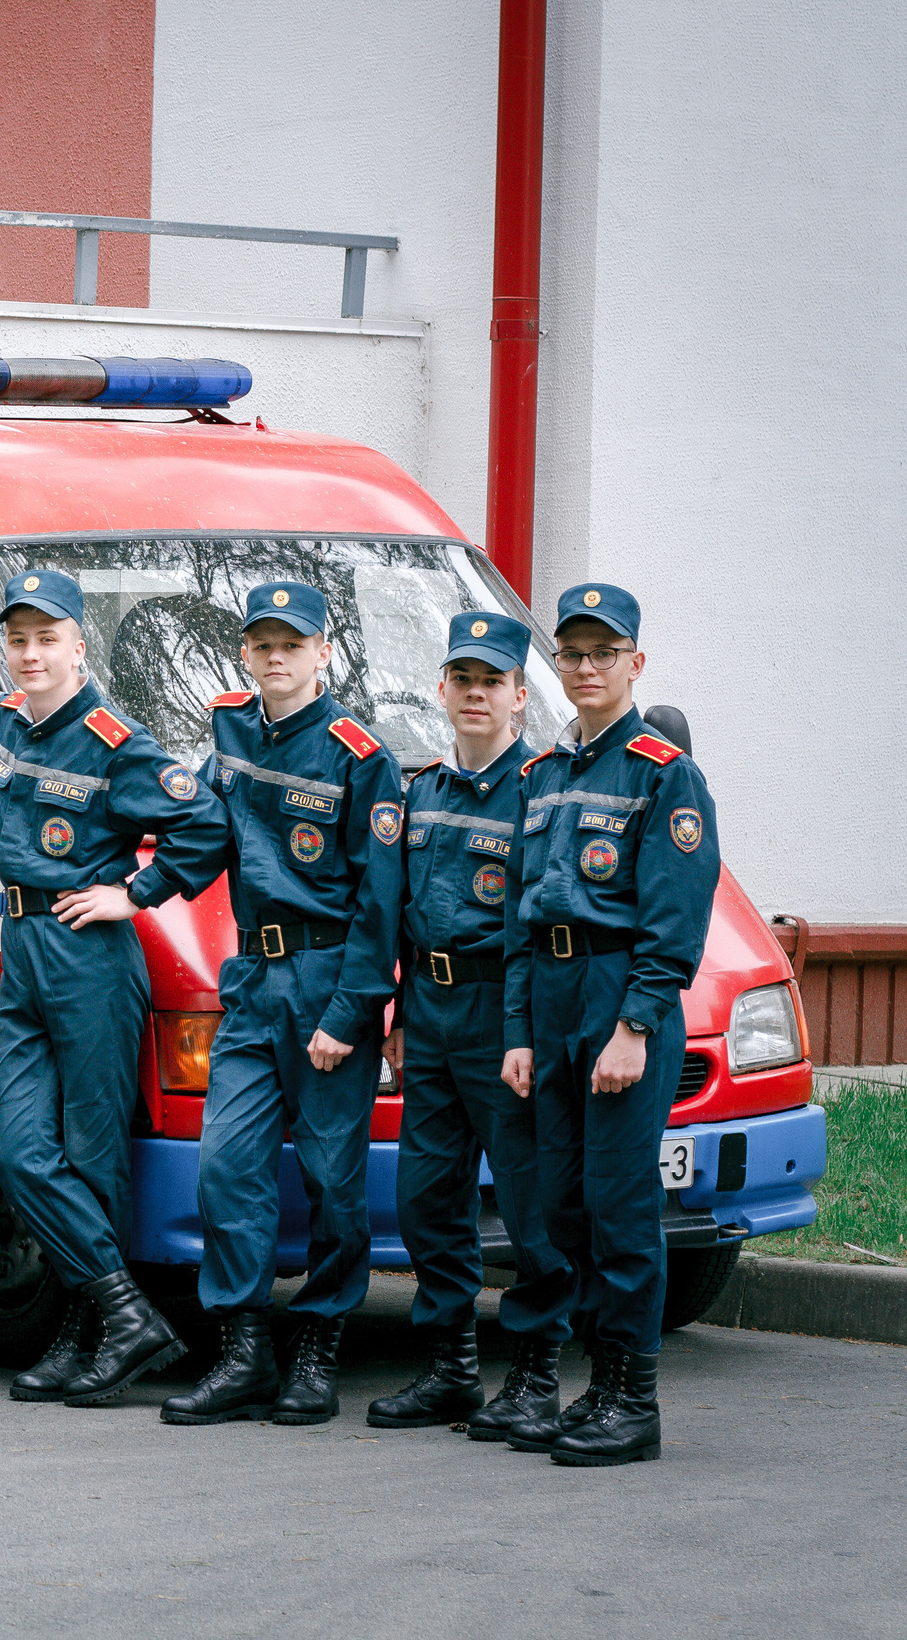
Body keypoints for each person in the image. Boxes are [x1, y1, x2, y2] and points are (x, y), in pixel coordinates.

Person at [0, 570, 228, 1405]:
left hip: (89, 954)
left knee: (92, 1158)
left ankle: (89, 1328)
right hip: (24, 951)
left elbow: (203, 824)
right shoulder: (9, 717)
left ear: (78, 645)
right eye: (18, 638)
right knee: (20, 1152)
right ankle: (122, 1313)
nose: (29, 653)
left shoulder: (113, 740)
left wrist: (137, 893)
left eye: (46, 638)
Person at [161, 579, 404, 1427]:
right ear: (245, 652)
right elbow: (199, 830)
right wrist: (138, 888)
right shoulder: (228, 728)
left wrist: (351, 1013)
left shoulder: (357, 756)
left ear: (323, 652)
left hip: (328, 982)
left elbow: (381, 903)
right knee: (226, 1165)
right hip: (254, 985)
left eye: (292, 645)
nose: (275, 657)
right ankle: (244, 1351)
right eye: (262, 643)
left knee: (335, 1180)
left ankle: (319, 1346)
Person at [498, 583, 717, 1467]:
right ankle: (598, 1385)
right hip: (550, 999)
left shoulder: (664, 772)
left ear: (636, 663)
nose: (586, 667)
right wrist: (518, 1028)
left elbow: (675, 919)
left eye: (604, 653)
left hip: (619, 993)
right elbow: (518, 914)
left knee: (621, 1206)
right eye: (573, 653)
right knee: (565, 1205)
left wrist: (634, 1023)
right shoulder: (544, 776)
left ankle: (635, 1398)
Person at [366, 611, 573, 1436]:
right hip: (435, 1015)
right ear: (443, 691)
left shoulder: (540, 793)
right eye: (465, 679)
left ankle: (534, 1375)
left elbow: (534, 927)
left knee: (529, 1204)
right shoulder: (422, 794)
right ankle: (450, 1369)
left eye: (494, 681)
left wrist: (522, 1030)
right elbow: (412, 917)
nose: (477, 693)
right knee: (425, 1200)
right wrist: (404, 1014)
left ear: (521, 697)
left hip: (504, 1013)